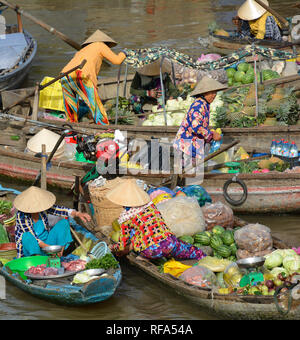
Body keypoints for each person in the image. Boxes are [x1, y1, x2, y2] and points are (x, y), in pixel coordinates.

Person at [106, 179, 206, 261]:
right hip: (170, 243)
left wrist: (113, 248)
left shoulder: (126, 219)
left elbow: (122, 245)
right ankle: (203, 257)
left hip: (150, 251)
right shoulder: (151, 207)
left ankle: (143, 257)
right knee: (194, 251)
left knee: (134, 232)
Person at [60, 29, 126, 125]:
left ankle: (70, 134)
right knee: (96, 108)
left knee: (70, 110)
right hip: (80, 75)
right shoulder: (100, 45)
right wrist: (124, 53)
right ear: (105, 42)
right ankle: (104, 131)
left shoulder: (82, 50)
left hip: (64, 76)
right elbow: (117, 60)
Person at [14, 186, 91, 258]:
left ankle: (59, 253)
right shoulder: (21, 215)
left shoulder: (42, 207)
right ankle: (38, 261)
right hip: (32, 249)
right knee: (26, 236)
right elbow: (34, 239)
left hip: (47, 242)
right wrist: (50, 249)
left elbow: (59, 209)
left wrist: (77, 213)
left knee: (63, 223)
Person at [173, 76, 226, 163]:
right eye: (211, 92)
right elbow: (196, 127)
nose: (214, 95)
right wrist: (211, 135)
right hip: (186, 147)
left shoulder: (205, 104)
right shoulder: (199, 105)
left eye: (215, 92)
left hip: (192, 147)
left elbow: (200, 125)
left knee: (191, 172)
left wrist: (211, 133)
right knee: (188, 173)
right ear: (204, 93)